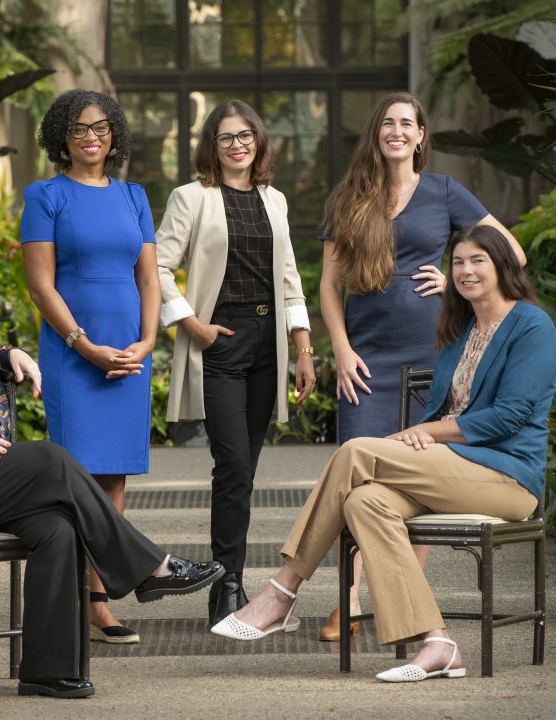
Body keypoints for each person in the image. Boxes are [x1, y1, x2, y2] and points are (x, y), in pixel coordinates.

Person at [0, 217, 223, 699]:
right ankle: (149, 568)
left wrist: (8, 357)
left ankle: (48, 670)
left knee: (58, 526)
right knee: (51, 460)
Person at [212, 224, 556, 684]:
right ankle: (437, 642)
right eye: (457, 261)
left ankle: (282, 590)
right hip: (451, 470)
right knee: (363, 502)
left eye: (478, 260)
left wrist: (425, 433)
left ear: (501, 265)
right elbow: (446, 407)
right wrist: (425, 438)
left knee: (356, 452)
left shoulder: (531, 326)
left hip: (507, 479)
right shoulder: (461, 329)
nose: (466, 270)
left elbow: (509, 417)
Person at [317, 92, 528, 641]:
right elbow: (329, 286)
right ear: (376, 134)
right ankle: (350, 599)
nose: (396, 131)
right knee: (354, 473)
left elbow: (512, 254)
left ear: (420, 136)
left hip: (432, 354)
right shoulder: (349, 197)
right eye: (387, 122)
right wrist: (340, 348)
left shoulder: (443, 191)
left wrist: (452, 278)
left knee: (421, 483)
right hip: (364, 360)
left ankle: (400, 598)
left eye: (406, 123)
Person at [155, 99, 316, 626]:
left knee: (245, 470)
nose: (237, 144)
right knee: (232, 467)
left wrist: (302, 347)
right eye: (226, 137)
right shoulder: (192, 198)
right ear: (211, 146)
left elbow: (289, 275)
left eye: (246, 135)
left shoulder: (275, 201)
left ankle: (229, 578)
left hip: (268, 343)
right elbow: (155, 265)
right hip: (218, 341)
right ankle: (227, 585)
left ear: (259, 140)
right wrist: (189, 322)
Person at [20, 89, 159, 644]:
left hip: (128, 353)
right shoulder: (45, 194)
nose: (91, 137)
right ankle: (83, 598)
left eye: (100, 127)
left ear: (114, 134)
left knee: (114, 475)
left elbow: (148, 278)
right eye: (78, 129)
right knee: (76, 474)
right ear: (62, 138)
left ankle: (99, 595)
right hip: (73, 352)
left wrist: (147, 342)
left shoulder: (134, 196)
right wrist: (82, 344)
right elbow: (40, 284)